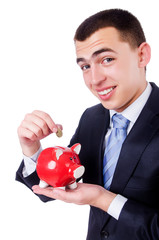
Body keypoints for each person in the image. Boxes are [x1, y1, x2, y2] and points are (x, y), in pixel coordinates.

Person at [16, 9, 159, 239]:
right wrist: (32, 150)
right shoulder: (92, 118)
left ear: (141, 55)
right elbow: (52, 189)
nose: (94, 80)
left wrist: (102, 199)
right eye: (85, 66)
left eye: (107, 59)